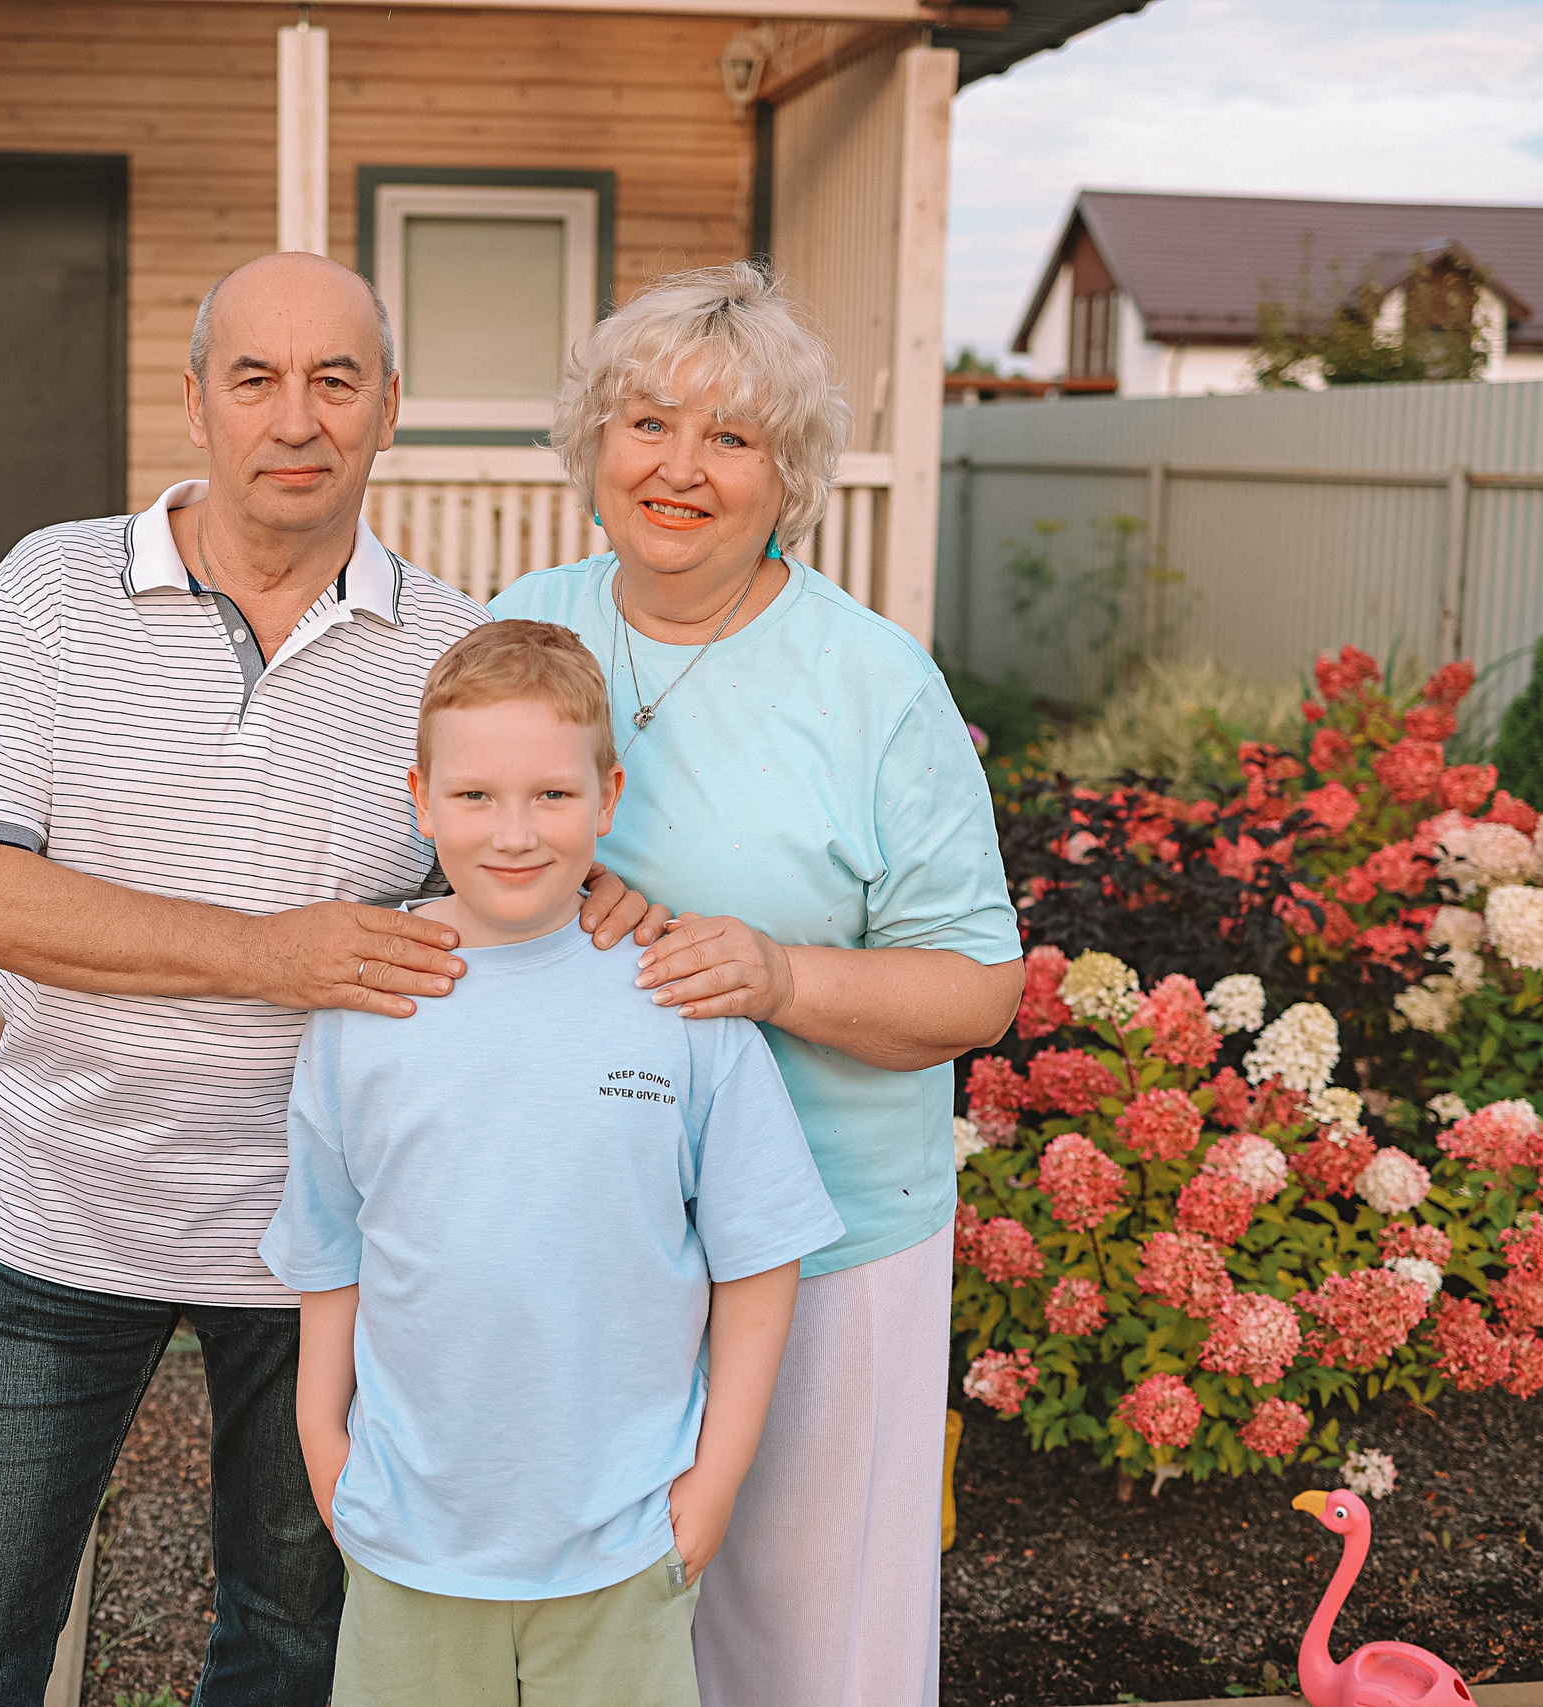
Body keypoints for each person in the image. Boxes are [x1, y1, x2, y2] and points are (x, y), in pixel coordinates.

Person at [0, 252, 658, 1707]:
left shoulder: (451, 645)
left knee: (292, 1647)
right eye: (256, 378)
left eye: (334, 380)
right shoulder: (53, 588)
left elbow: (510, 860)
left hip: (337, 1247)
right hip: (67, 1214)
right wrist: (265, 950)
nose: (294, 419)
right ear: (194, 401)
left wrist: (582, 888)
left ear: (389, 411)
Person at [490, 263, 1026, 1707]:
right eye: (647, 421)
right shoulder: (521, 629)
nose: (679, 466)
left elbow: (980, 992)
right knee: (594, 1633)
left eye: (729, 438)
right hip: (578, 1231)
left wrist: (779, 972)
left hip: (834, 1237)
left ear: (787, 475)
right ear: (592, 444)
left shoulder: (872, 681)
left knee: (806, 1650)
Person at [259, 620, 842, 1707]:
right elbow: (329, 1247)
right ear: (420, 800)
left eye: (552, 797)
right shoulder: (367, 1006)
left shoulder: (678, 1001)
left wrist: (714, 1481)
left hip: (622, 1537)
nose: (513, 833)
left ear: (607, 798)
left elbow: (757, 1259)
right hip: (408, 1534)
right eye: (473, 797)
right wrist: (320, 1440)